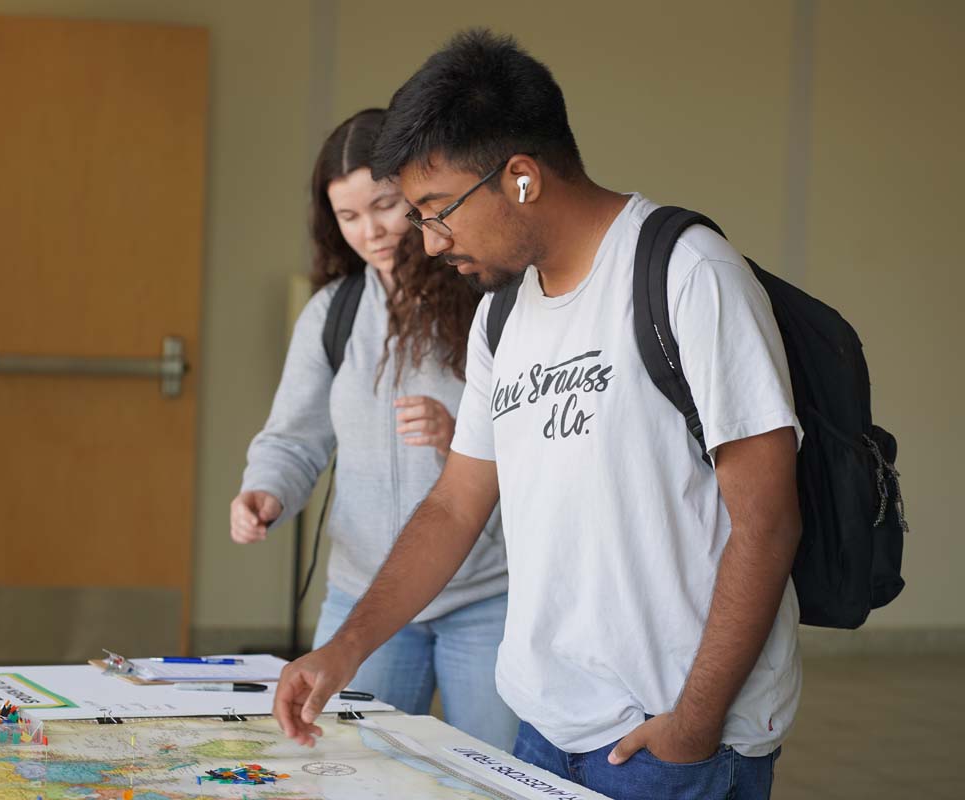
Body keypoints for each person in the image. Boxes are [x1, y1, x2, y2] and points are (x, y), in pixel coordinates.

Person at [272, 32, 802, 800]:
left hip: (670, 741)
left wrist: (692, 725)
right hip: (544, 732)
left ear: (520, 178)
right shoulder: (503, 317)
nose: (426, 240)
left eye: (436, 210)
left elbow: (767, 521)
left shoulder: (687, 275)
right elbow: (456, 505)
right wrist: (342, 650)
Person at [231, 108, 517, 751]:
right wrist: (266, 490)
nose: (372, 231)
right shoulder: (333, 312)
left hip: (487, 595)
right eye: (349, 217)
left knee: (497, 775)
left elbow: (541, 442)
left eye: (385, 206)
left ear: (418, 195)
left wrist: (457, 435)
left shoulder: (488, 296)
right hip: (364, 597)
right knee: (346, 769)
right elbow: (293, 437)